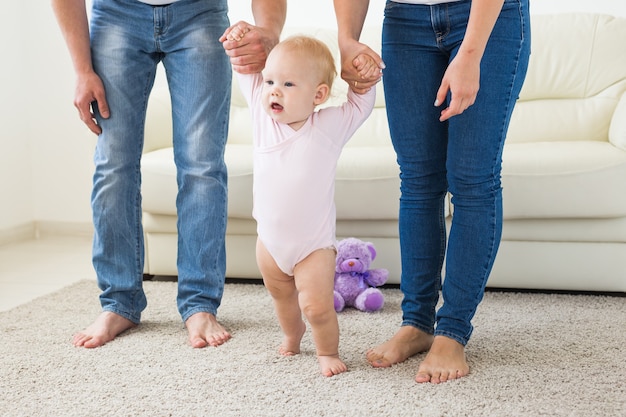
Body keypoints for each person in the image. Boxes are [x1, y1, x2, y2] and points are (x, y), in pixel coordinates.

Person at [51, 0, 286, 349]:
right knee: (113, 164)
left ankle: (200, 305)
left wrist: (269, 31)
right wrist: (82, 69)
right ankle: (119, 302)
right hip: (117, 13)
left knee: (202, 166)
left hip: (201, 13)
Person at [334, 0, 531, 383]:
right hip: (405, 20)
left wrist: (471, 53)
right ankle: (417, 323)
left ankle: (452, 331)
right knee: (419, 179)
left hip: (487, 18)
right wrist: (346, 39)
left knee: (473, 180)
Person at [222, 29, 379, 376]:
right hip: (270, 244)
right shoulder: (264, 119)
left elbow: (359, 104)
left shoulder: (327, 127)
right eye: (271, 82)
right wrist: (238, 38)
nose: (274, 90)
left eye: (289, 85)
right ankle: (293, 336)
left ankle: (327, 352)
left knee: (317, 306)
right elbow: (245, 67)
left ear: (319, 95)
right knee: (282, 300)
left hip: (313, 247)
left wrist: (365, 75)